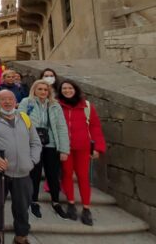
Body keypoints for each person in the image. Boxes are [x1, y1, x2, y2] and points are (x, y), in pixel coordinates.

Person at [0, 90, 42, 244]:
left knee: (22, 205)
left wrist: (32, 161)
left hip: (22, 172)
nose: (7, 102)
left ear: (16, 101)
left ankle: (21, 235)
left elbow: (35, 143)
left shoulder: (25, 118)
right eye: (3, 99)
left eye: (10, 99)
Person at [18, 80, 70, 220]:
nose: (42, 92)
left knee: (53, 174)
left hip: (51, 143)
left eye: (45, 90)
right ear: (34, 90)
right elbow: (20, 121)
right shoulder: (26, 102)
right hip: (33, 142)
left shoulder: (54, 105)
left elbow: (61, 127)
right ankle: (33, 200)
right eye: (40, 89)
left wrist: (64, 149)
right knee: (34, 173)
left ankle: (56, 201)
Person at [57, 80, 106, 226]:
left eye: (70, 88)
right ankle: (71, 203)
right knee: (66, 173)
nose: (67, 90)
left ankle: (86, 208)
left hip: (83, 147)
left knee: (83, 176)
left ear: (75, 89)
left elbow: (95, 127)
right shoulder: (57, 105)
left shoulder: (87, 106)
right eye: (64, 88)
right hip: (65, 147)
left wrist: (98, 147)